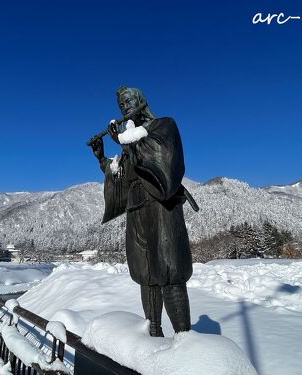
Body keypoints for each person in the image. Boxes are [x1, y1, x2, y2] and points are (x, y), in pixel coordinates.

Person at [90, 86, 197, 337]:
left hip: (161, 207)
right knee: (145, 272)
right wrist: (102, 158)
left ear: (141, 101)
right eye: (121, 104)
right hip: (136, 210)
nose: (125, 107)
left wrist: (126, 143)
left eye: (129, 101)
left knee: (169, 270)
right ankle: (152, 335)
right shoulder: (131, 141)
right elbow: (124, 175)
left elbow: (159, 156)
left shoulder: (162, 126)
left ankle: (186, 339)